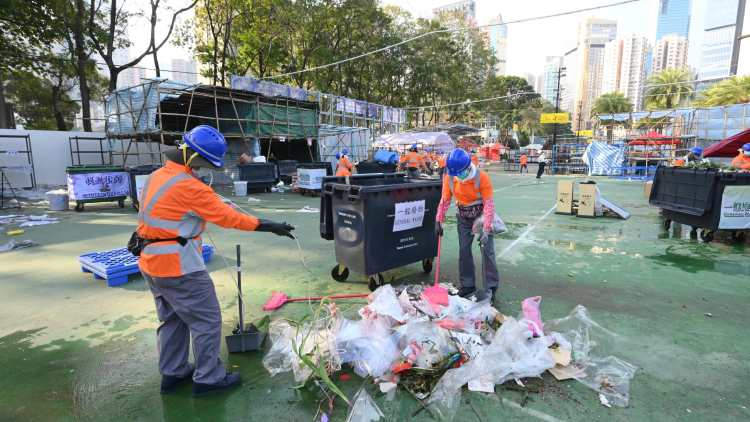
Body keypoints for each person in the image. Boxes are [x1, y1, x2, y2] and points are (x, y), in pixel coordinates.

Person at [136, 125, 295, 398]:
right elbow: (231, 218)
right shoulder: (190, 187)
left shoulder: (156, 176)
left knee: (172, 320)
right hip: (180, 267)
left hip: (151, 263)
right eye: (201, 164)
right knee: (206, 321)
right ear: (192, 157)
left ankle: (172, 375)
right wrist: (271, 226)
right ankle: (208, 379)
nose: (201, 169)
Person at [434, 149, 500, 301]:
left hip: (481, 216)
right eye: (454, 173)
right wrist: (438, 221)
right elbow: (444, 202)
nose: (457, 176)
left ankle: (491, 287)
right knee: (464, 251)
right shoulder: (449, 177)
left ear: (468, 167)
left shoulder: (481, 177)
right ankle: (468, 284)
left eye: (460, 173)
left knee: (487, 251)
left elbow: (489, 204)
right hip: (463, 216)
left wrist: (486, 229)